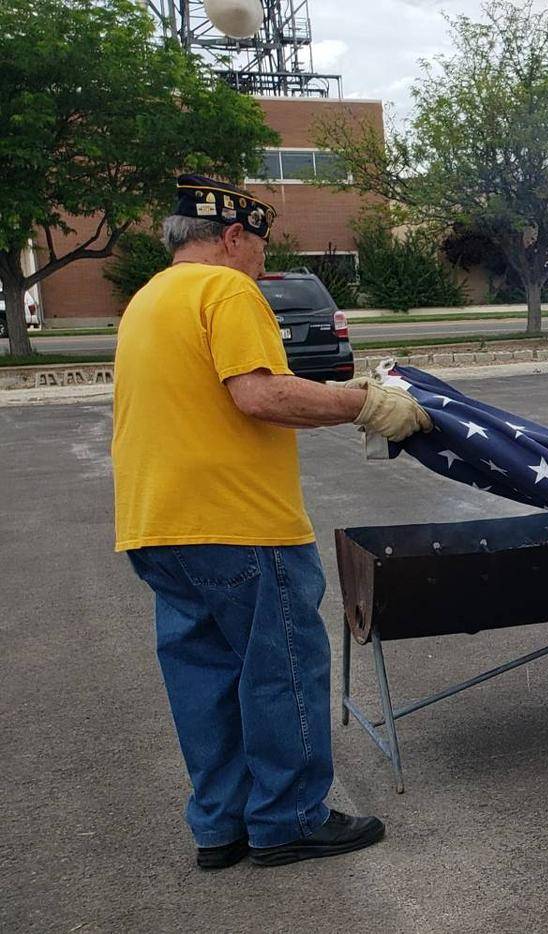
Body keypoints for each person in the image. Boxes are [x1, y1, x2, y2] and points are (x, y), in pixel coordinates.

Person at [113, 176, 432, 869]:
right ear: (232, 237)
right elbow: (259, 394)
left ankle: (220, 826)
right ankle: (288, 819)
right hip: (239, 524)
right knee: (279, 667)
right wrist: (365, 403)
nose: (264, 259)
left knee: (204, 679)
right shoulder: (225, 290)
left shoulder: (146, 301)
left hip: (155, 524)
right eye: (260, 245)